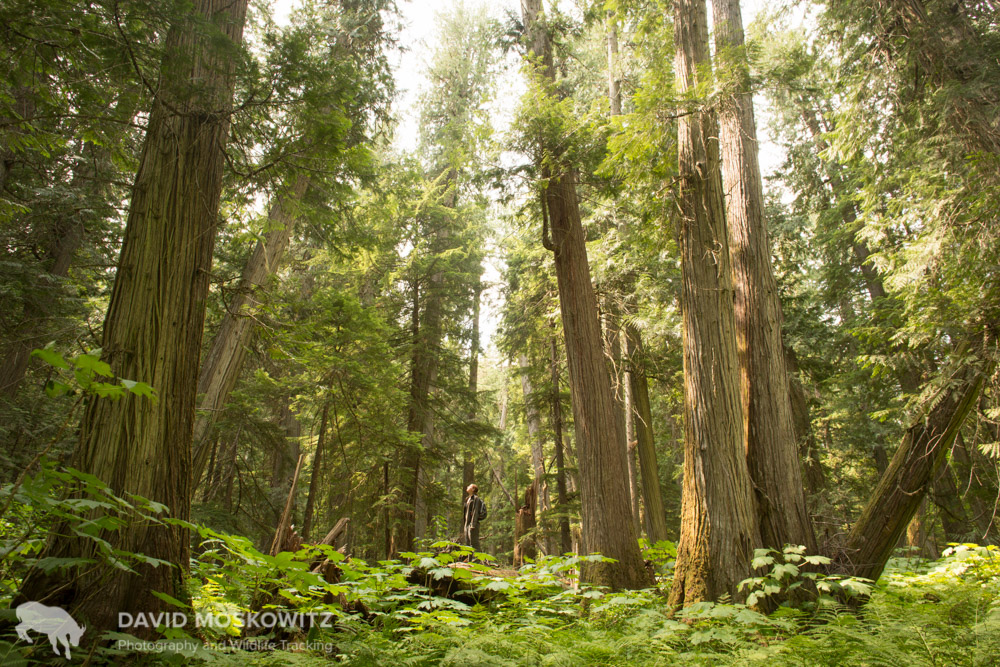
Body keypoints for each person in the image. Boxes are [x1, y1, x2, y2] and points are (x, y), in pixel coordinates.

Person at [462, 483, 486, 551]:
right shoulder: (467, 499)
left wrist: (473, 525)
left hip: (473, 525)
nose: (467, 486)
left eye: (469, 486)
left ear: (473, 489)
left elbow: (475, 512)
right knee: (468, 544)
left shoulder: (476, 499)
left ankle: (477, 560)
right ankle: (470, 560)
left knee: (474, 543)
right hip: (467, 525)